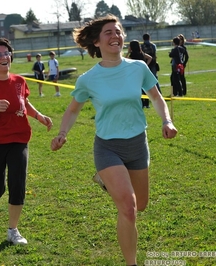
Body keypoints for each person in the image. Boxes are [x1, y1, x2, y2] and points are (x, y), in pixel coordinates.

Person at [50, 15, 178, 266]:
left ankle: (106, 182)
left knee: (140, 205)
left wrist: (166, 121)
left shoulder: (137, 67)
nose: (115, 36)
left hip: (137, 144)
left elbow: (156, 98)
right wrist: (62, 134)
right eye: (108, 32)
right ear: (96, 42)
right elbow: (73, 109)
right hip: (108, 147)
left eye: (118, 31)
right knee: (128, 210)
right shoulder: (88, 79)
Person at [0, 37, 53, 245]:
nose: (4, 57)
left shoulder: (20, 81)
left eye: (7, 53)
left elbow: (25, 103)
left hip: (18, 139)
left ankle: (13, 230)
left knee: (18, 183)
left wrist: (40, 116)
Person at [126, 40, 153, 108]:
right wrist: (146, 65)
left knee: (137, 89)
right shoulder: (141, 53)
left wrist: (128, 52)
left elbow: (124, 59)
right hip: (142, 72)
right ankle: (146, 104)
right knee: (145, 89)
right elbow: (150, 58)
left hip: (134, 74)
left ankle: (141, 103)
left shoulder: (132, 55)